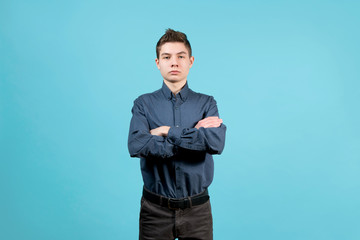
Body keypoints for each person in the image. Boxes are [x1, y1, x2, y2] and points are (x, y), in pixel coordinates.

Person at [128, 28, 226, 240]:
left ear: (190, 61)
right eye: (167, 57)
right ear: (158, 63)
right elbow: (137, 145)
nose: (174, 62)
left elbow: (216, 143)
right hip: (154, 210)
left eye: (181, 56)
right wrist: (193, 138)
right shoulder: (143, 104)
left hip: (197, 210)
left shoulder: (207, 103)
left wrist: (166, 132)